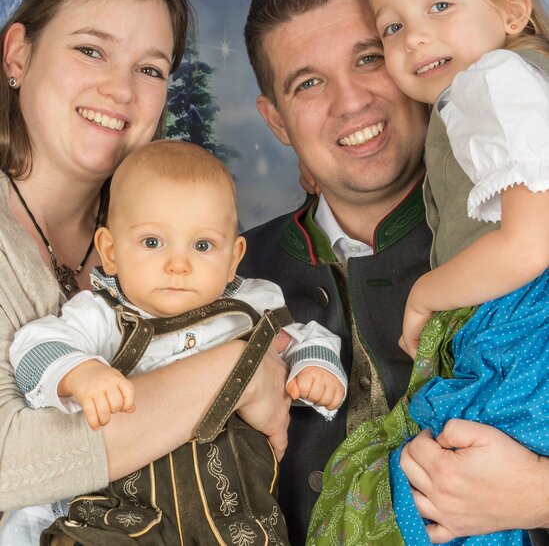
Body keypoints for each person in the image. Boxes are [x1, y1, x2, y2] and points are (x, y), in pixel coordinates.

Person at [0, 0, 290, 543]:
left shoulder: (177, 237)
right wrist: (237, 369)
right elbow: (10, 461)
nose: (121, 90)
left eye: (151, 69)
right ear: (18, 55)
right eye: (90, 50)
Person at [309, 0, 549, 545]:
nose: (415, 38)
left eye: (440, 6)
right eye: (392, 27)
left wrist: (426, 294)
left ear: (512, 10)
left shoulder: (493, 80)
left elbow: (529, 243)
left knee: (433, 483)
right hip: (521, 317)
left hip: (524, 318)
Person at [9, 140, 346, 544]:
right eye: (153, 242)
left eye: (202, 246)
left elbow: (306, 339)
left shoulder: (251, 307)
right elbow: (34, 346)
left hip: (235, 513)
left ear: (233, 258)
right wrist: (79, 372)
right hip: (126, 516)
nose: (178, 264)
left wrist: (315, 367)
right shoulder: (101, 315)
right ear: (110, 252)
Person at [240, 0, 432, 545]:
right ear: (277, 121)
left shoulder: (523, 236)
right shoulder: (222, 275)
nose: (350, 102)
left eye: (368, 58)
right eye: (309, 83)